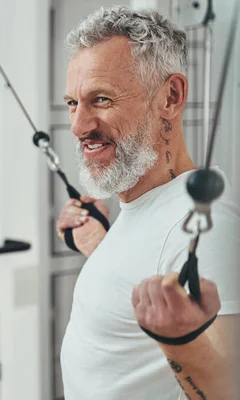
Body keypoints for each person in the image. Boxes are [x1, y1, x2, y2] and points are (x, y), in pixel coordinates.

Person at [56, 6, 240, 400]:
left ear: (170, 97)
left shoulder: (210, 227)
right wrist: (98, 245)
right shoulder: (147, 204)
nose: (78, 126)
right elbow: (147, 275)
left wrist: (183, 342)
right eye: (73, 103)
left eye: (100, 99)